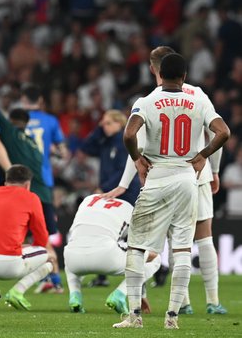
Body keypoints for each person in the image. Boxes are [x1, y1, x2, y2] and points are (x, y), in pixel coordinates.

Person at [104, 46, 227, 314]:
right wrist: (211, 166)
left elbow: (134, 137)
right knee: (199, 238)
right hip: (194, 173)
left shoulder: (147, 100)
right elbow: (215, 133)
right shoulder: (199, 96)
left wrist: (130, 174)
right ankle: (212, 301)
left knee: (149, 243)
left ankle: (173, 305)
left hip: (159, 173)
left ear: (153, 69)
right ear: (184, 73)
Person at [0, 165, 56, 311]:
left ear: (6, 182)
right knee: (48, 256)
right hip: (9, 265)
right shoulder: (31, 197)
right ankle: (17, 291)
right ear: (27, 184)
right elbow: (41, 236)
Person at [64, 194, 161, 314]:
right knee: (154, 258)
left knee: (71, 250)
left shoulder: (88, 199)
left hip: (73, 259)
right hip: (106, 255)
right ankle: (120, 294)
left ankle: (75, 295)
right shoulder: (129, 208)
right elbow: (139, 249)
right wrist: (141, 294)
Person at [80, 109, 143, 288]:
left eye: (108, 123)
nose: (104, 126)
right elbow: (85, 147)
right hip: (110, 192)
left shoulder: (124, 143)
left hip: (127, 193)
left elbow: (123, 170)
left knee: (132, 234)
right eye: (103, 123)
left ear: (119, 124)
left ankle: (151, 268)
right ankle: (102, 276)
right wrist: (99, 130)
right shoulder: (105, 142)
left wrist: (105, 187)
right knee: (105, 231)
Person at [19, 84, 69, 292]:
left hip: (20, 183)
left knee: (24, 235)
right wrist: (53, 154)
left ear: (23, 101)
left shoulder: (17, 122)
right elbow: (64, 154)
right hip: (44, 183)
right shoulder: (51, 121)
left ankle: (45, 277)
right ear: (40, 101)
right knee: (44, 234)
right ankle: (52, 278)